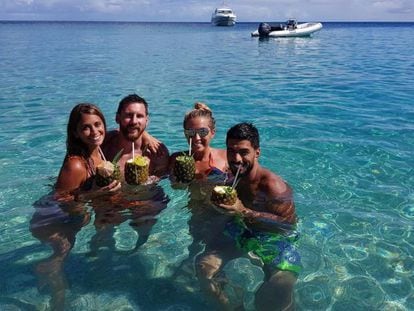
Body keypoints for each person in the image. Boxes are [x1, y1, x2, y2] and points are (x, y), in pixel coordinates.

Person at [196, 122, 301, 311]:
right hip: (241, 232)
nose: (236, 158)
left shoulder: (273, 186)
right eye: (231, 151)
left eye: (243, 152)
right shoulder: (230, 178)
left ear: (257, 153)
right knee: (204, 269)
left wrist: (243, 211)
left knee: (275, 294)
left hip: (273, 238)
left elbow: (288, 225)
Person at [55, 103, 120, 201]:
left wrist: (146, 137)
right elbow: (58, 200)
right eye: (86, 128)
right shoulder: (76, 165)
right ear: (76, 133)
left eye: (97, 124)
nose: (94, 132)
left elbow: (124, 132)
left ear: (104, 125)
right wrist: (93, 194)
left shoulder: (98, 149)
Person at [102, 93, 170, 180]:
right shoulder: (105, 147)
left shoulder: (157, 153)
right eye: (128, 115)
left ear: (146, 120)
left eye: (139, 116)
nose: (134, 121)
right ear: (117, 118)